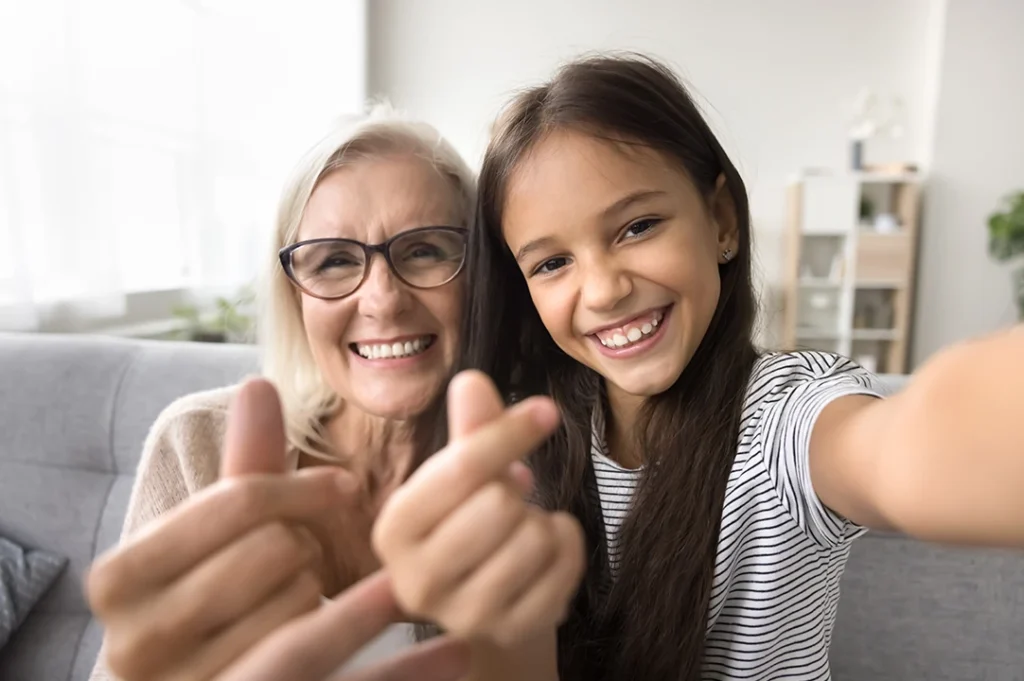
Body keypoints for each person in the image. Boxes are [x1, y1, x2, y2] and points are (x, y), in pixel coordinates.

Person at [456, 52, 1024, 681]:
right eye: (551, 263)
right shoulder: (529, 444)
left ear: (721, 220)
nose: (603, 291)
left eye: (638, 226)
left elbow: (899, 451)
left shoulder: (783, 420)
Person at [84, 104, 584, 681]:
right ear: (294, 298)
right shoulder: (199, 442)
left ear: (481, 278)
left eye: (424, 250)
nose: (383, 300)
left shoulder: (537, 462)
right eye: (334, 260)